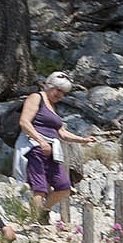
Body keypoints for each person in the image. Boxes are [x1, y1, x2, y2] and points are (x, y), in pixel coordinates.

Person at [16, 72, 96, 224]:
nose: (60, 95)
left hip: (52, 152)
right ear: (50, 86)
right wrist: (41, 141)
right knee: (39, 188)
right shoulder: (36, 97)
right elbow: (24, 122)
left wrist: (83, 140)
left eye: (63, 93)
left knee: (64, 186)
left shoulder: (52, 106)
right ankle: (34, 223)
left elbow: (62, 133)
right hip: (35, 149)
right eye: (58, 90)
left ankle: (41, 212)